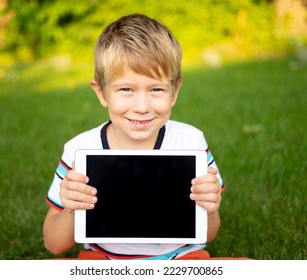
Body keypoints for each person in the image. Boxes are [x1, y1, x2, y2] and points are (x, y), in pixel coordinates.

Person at [43, 13, 225, 260]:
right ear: (102, 92)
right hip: (104, 262)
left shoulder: (191, 142)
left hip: (180, 259)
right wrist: (72, 210)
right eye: (126, 89)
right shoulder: (80, 149)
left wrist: (210, 208)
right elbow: (54, 244)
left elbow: (208, 234)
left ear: (175, 91)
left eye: (156, 89)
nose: (142, 106)